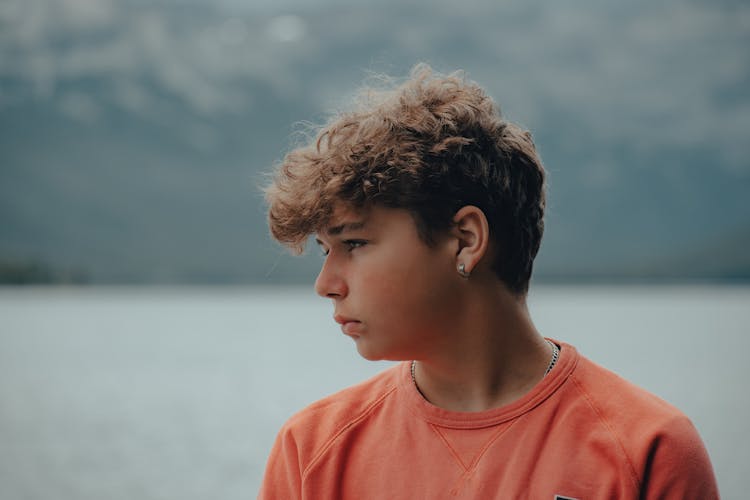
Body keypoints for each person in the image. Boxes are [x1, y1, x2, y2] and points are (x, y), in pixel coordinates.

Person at [258, 64, 719, 499]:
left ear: (465, 240)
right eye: (324, 251)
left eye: (354, 243)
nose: (326, 284)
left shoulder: (648, 448)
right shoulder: (313, 450)